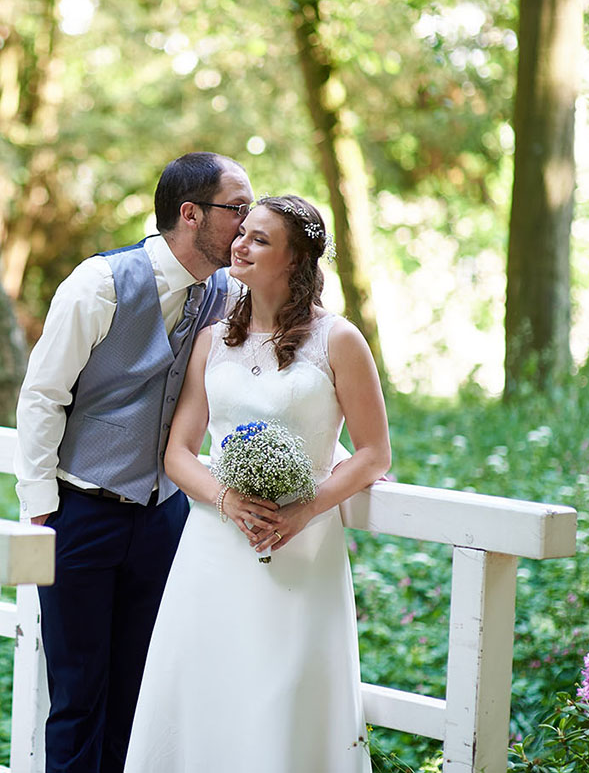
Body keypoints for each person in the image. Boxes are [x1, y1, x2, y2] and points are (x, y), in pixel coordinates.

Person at [124, 194, 391, 773]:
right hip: (212, 545)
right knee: (205, 688)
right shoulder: (211, 341)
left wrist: (303, 511)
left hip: (299, 549)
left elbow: (374, 454)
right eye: (242, 233)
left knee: (282, 698)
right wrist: (226, 498)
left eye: (260, 239)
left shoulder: (338, 340)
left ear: (297, 260)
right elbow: (178, 452)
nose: (240, 244)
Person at [14, 152, 254, 773]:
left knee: (141, 694)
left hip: (167, 521)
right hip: (81, 512)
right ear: (191, 214)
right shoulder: (100, 283)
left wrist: (344, 457)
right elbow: (42, 393)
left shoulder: (228, 295)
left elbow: (261, 391)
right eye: (239, 209)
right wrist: (42, 508)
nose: (248, 225)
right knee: (77, 694)